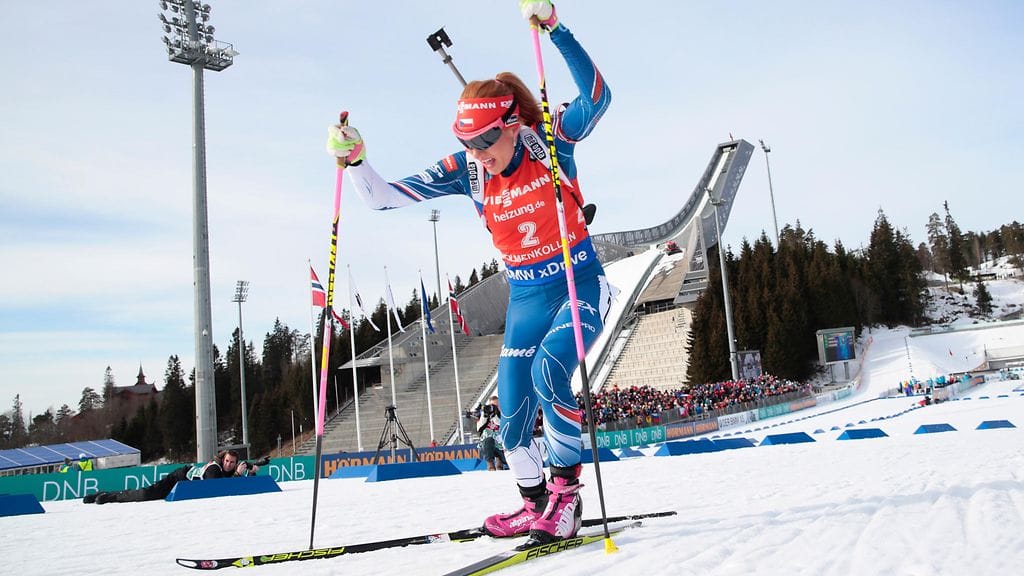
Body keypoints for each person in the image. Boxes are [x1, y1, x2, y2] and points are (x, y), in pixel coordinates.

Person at [326, 0, 612, 544]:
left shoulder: (548, 140)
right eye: (467, 143)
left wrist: (556, 29)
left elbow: (600, 97)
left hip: (577, 282)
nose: (477, 153)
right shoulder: (467, 172)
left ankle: (566, 501)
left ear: (509, 125)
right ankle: (532, 505)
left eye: (485, 140)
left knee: (551, 372)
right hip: (525, 297)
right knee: (508, 407)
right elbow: (383, 199)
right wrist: (357, 159)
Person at [83, 449, 260, 504]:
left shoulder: (227, 471)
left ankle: (105, 495)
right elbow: (219, 487)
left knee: (145, 493)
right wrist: (238, 474)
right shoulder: (215, 469)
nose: (229, 465)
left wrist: (250, 475)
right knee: (145, 494)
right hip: (178, 479)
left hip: (184, 483)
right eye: (227, 461)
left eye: (232, 462)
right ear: (223, 460)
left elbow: (233, 484)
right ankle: (106, 496)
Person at [477, 395, 507, 471]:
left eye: (496, 405)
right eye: (492, 406)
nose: (494, 408)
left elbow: (502, 424)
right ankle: (490, 466)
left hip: (503, 447)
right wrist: (485, 415)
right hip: (488, 446)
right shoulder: (485, 415)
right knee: (488, 440)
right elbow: (479, 428)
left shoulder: (505, 414)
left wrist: (495, 416)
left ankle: (499, 463)